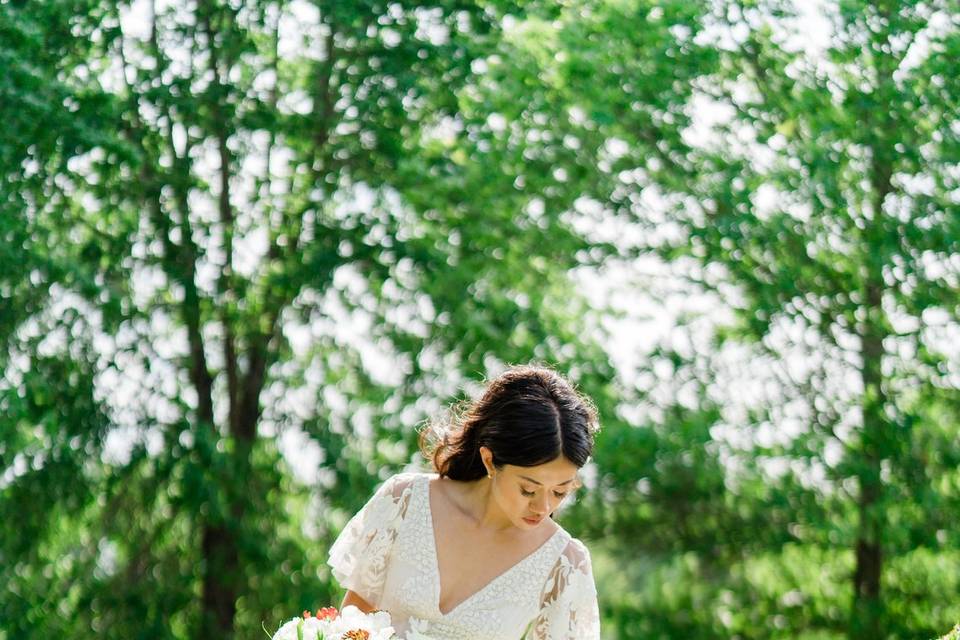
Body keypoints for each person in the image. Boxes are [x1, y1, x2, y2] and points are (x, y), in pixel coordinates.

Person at [326, 364, 602, 639]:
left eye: (560, 492)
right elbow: (351, 623)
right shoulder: (405, 500)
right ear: (489, 460)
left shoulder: (565, 563)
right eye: (528, 490)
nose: (543, 508)